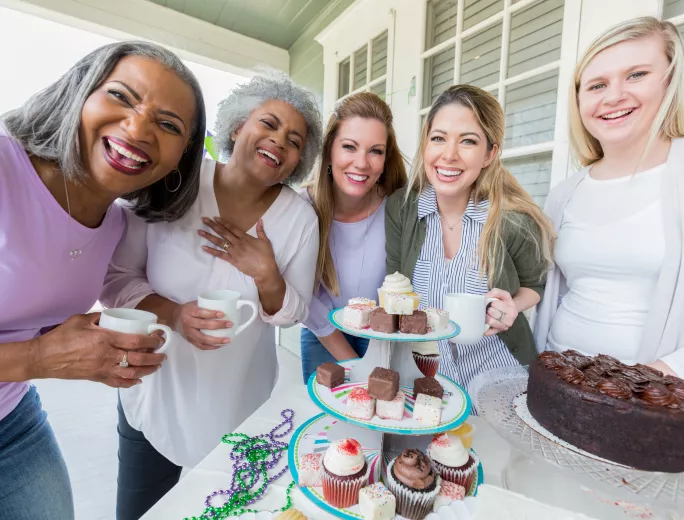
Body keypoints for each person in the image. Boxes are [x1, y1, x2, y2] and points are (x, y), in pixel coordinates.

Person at [101, 72, 322, 519]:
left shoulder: (299, 219)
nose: (280, 141)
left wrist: (267, 275)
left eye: (294, 140)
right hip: (153, 395)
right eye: (269, 123)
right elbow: (116, 278)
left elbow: (291, 315)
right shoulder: (174, 181)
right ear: (239, 126)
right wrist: (175, 315)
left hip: (242, 406)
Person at [0, 41, 206, 520]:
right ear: (79, 94)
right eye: (122, 96)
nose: (138, 129)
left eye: (169, 124)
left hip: (12, 421)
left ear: (182, 159)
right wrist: (40, 358)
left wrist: (97, 350)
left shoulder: (115, 224)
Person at [533, 17, 684, 390]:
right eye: (597, 85)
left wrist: (646, 383)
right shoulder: (566, 192)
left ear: (671, 81)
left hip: (657, 404)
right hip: (559, 386)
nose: (613, 96)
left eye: (636, 75)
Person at [386, 84, 555, 389]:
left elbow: (535, 284)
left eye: (468, 141)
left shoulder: (514, 220)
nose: (448, 155)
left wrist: (513, 306)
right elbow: (395, 283)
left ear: (490, 153)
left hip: (497, 376)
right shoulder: (402, 209)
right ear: (425, 144)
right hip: (423, 376)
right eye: (438, 139)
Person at [300, 92, 407, 383]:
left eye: (375, 151)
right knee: (325, 425)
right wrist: (352, 362)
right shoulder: (302, 208)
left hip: (386, 337)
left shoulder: (398, 209)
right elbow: (305, 295)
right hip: (324, 334)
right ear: (330, 150)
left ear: (386, 159)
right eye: (349, 147)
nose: (362, 163)